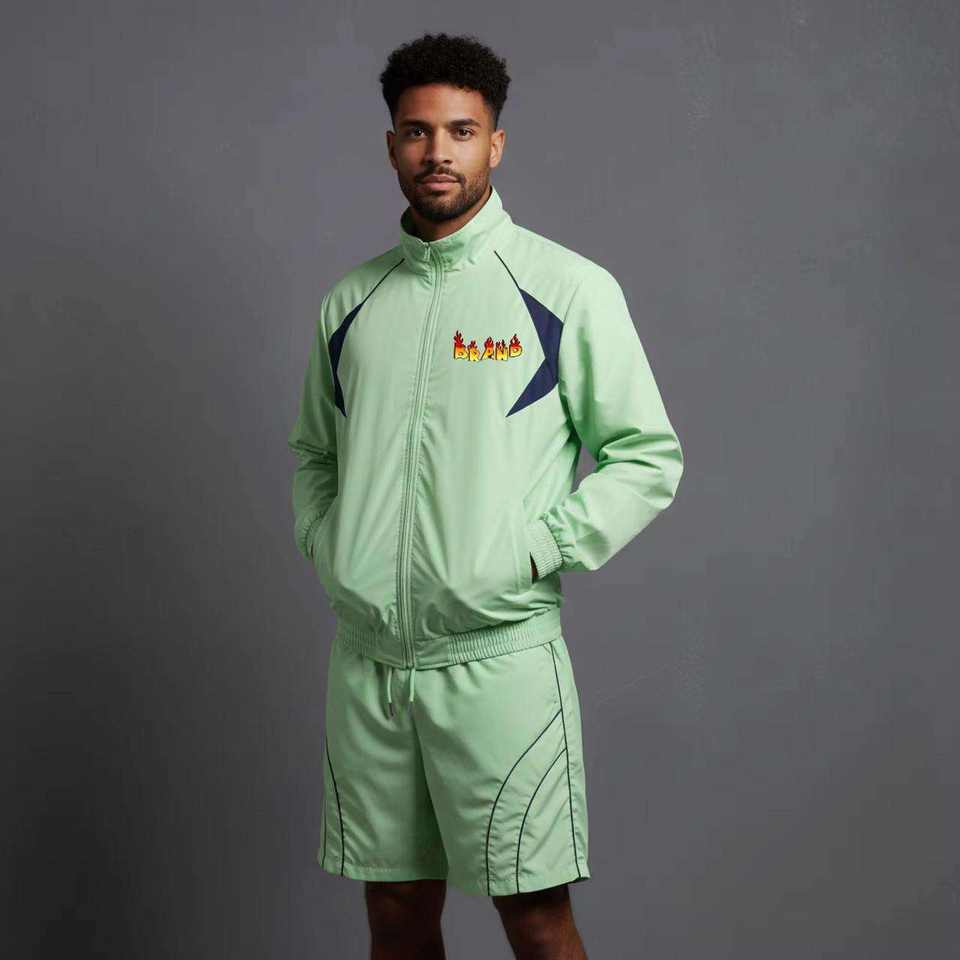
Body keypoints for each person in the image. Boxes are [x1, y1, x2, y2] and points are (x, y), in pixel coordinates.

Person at [287, 31, 684, 960]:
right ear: (391, 144)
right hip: (372, 668)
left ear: (495, 144)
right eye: (418, 131)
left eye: (461, 132)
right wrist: (333, 547)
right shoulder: (351, 303)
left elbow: (646, 455)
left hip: (498, 662)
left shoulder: (565, 289)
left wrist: (533, 551)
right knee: (394, 914)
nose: (438, 152)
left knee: (535, 919)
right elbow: (313, 453)